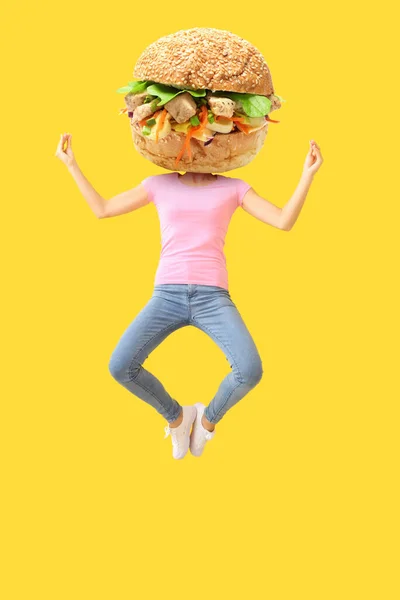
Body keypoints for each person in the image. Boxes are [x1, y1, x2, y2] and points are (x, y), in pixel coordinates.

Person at [55, 133, 323, 459]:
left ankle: (205, 422)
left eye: (208, 138)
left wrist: (307, 175)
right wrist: (71, 164)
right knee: (120, 366)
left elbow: (283, 221)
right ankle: (178, 419)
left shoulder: (233, 188)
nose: (198, 145)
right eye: (191, 138)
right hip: (166, 295)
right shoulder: (159, 184)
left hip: (213, 298)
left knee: (250, 370)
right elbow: (104, 209)